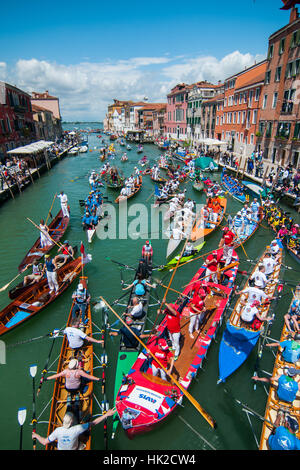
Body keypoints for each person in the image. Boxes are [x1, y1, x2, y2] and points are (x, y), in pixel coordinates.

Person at [32, 408, 115, 450]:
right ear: (71, 422)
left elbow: (44, 442)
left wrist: (36, 435)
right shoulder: (77, 428)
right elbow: (94, 423)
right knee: (86, 426)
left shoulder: (57, 431)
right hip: (75, 448)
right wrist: (106, 415)